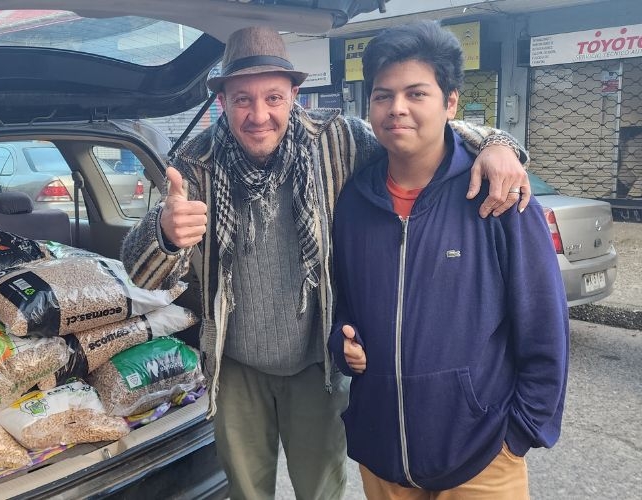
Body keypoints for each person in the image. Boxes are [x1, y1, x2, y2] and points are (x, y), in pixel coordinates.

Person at [121, 25, 529, 500]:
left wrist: (497, 143)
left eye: (273, 98)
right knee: (246, 492)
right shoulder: (195, 163)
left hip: (315, 364)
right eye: (242, 100)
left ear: (294, 96)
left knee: (320, 491)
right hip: (236, 368)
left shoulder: (338, 140)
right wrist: (166, 234)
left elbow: (416, 134)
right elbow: (142, 273)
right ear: (223, 101)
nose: (259, 115)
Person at [328, 21, 569, 500]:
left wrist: (519, 434)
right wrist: (343, 342)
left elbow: (544, 323)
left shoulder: (498, 198)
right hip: (383, 455)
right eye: (383, 95)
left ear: (451, 103)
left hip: (482, 458)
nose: (397, 108)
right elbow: (345, 305)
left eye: (416, 93)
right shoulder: (354, 202)